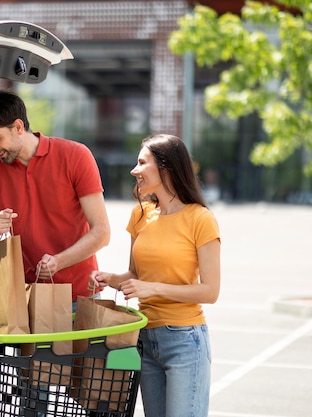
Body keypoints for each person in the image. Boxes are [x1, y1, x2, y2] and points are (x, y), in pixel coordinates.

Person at [88, 133, 221, 417]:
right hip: (146, 339)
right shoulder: (140, 215)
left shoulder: (201, 219)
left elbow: (210, 291)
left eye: (141, 163)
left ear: (166, 166)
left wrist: (153, 289)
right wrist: (108, 278)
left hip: (185, 341)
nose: (134, 170)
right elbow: (135, 275)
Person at [0, 89, 110, 304]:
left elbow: (102, 232)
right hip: (25, 304)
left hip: (81, 298)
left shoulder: (75, 156)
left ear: (18, 127)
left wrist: (58, 261)